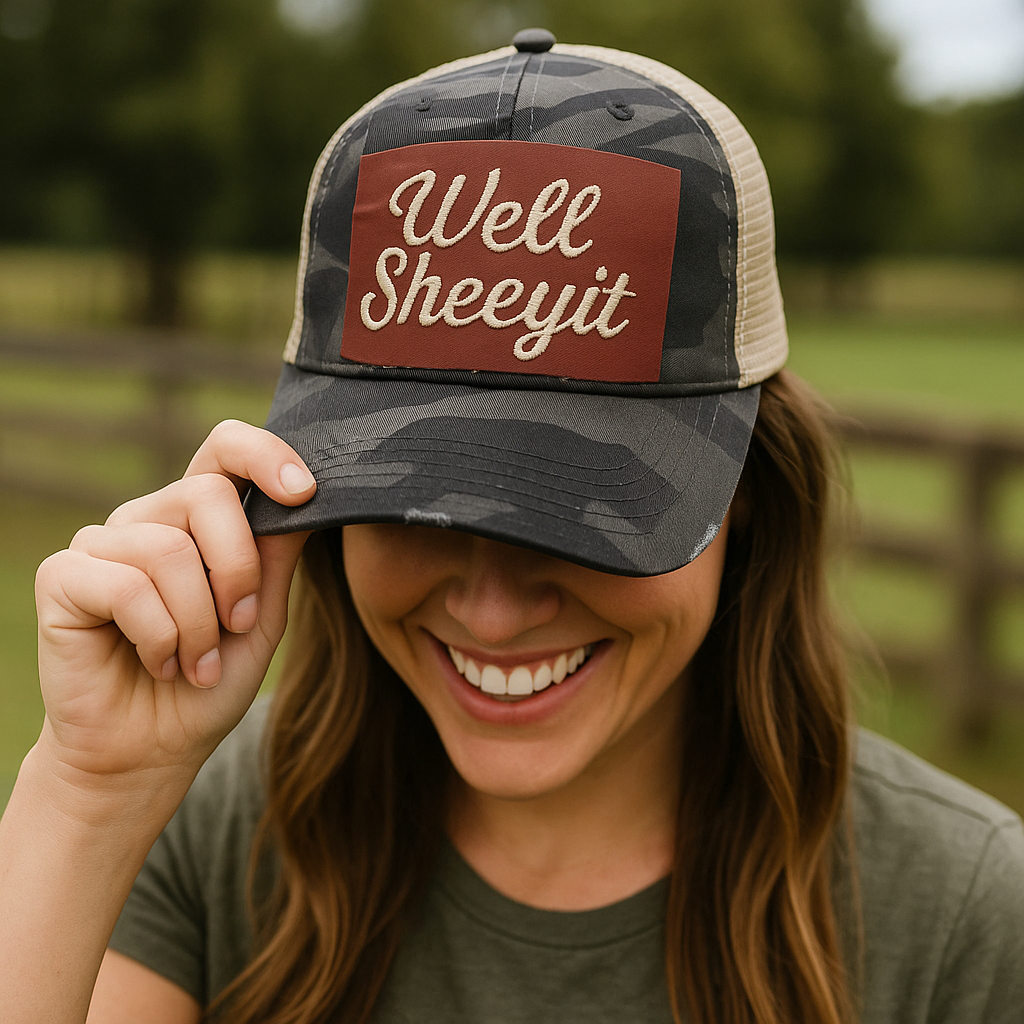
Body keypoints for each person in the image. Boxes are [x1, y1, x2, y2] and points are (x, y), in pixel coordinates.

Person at [2, 30, 1022, 1024]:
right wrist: (87, 797)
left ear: (741, 489)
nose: (491, 606)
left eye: (583, 510)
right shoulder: (219, 828)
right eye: (412, 499)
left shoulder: (962, 915)